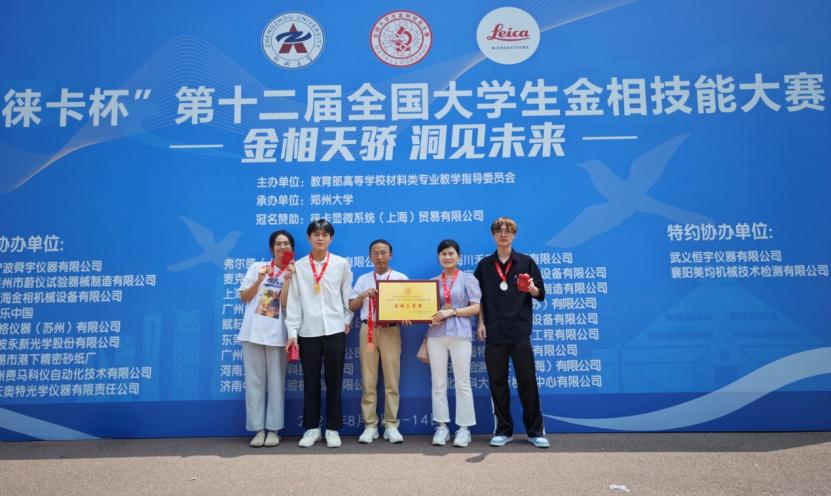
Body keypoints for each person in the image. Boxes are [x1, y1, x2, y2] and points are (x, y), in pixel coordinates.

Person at [474, 217, 549, 448]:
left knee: (528, 382)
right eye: (499, 230)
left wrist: (532, 288)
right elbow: (478, 299)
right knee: (497, 383)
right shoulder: (484, 265)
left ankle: (535, 431)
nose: (503, 234)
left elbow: (540, 294)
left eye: (508, 231)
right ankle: (503, 430)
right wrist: (480, 323)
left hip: (519, 331)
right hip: (494, 333)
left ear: (514, 235)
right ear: (493, 235)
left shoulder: (526, 262)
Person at [286, 219, 353, 448]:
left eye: (325, 235)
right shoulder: (299, 267)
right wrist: (292, 332)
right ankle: (312, 428)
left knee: (335, 381)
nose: (320, 238)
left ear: (331, 239)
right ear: (309, 238)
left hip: (335, 329)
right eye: (316, 234)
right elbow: (294, 301)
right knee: (310, 381)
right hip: (308, 331)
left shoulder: (341, 264)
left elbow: (347, 296)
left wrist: (346, 320)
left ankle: (333, 429)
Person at [237, 230, 296, 448]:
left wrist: (288, 278)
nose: (283, 247)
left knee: (276, 383)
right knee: (254, 383)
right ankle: (258, 429)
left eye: (286, 243)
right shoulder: (257, 268)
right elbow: (244, 297)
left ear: (292, 248)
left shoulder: (294, 272)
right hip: (252, 333)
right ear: (272, 248)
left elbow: (286, 304)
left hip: (278, 336)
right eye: (279, 243)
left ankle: (273, 429)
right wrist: (260, 279)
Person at [349, 239, 408, 444]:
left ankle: (391, 425)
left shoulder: (400, 278)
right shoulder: (363, 279)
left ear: (390, 255)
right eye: (376, 253)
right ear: (370, 257)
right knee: (368, 380)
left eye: (383, 252)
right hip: (368, 329)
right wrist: (364, 295)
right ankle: (370, 425)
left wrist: (407, 315)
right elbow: (352, 306)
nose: (380, 256)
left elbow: (409, 306)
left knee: (392, 380)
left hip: (391, 330)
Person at [427, 239, 481, 447]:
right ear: (438, 257)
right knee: (438, 382)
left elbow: (476, 307)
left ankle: (464, 429)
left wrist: (453, 312)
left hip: (460, 335)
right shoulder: (432, 282)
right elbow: (425, 310)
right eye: (443, 254)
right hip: (436, 336)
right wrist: (426, 316)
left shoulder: (468, 279)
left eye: (451, 253)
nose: (447, 257)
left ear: (459, 256)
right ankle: (441, 427)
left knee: (462, 382)